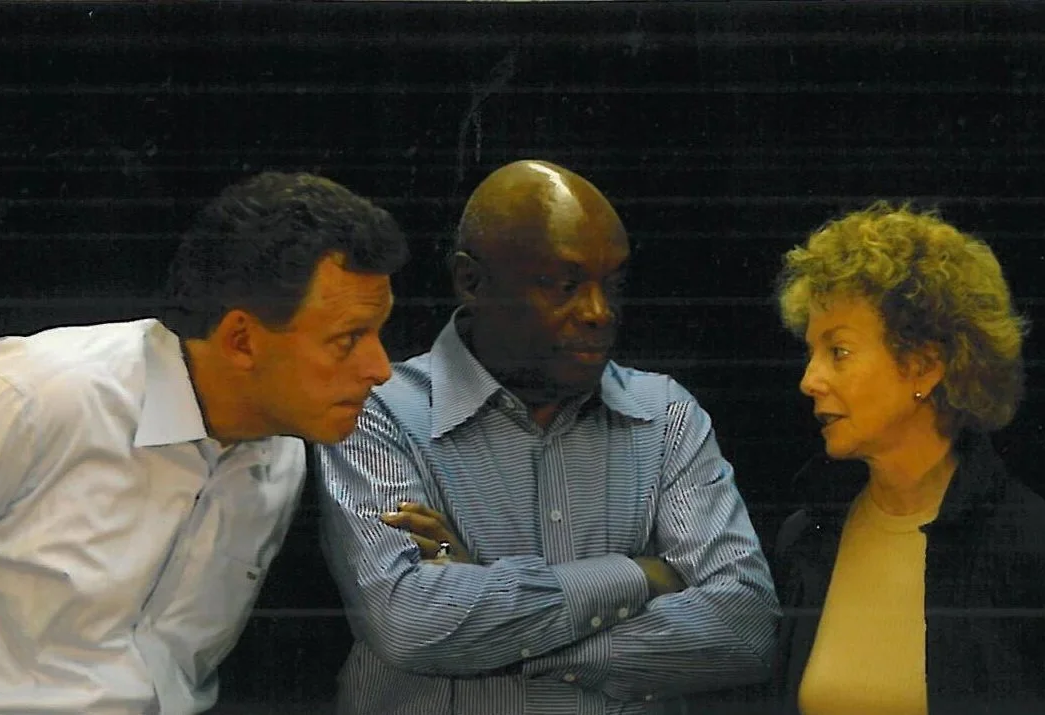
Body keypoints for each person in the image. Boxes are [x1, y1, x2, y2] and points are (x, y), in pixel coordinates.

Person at [316, 159, 779, 715]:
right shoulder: (376, 413)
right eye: (564, 285)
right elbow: (410, 623)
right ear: (471, 281)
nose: (599, 312)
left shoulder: (665, 418)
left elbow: (746, 625)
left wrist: (490, 631)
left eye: (614, 285)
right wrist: (640, 575)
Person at [0, 172, 408, 714]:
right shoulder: (35, 395)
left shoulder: (282, 458)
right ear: (241, 339)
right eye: (348, 339)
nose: (380, 370)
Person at [768, 202, 1045, 714]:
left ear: (923, 366)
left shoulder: (1038, 556)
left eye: (839, 351)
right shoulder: (807, 539)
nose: (810, 379)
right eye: (811, 352)